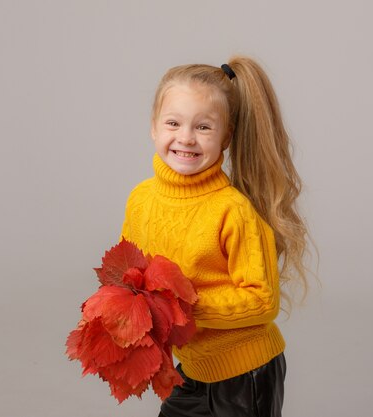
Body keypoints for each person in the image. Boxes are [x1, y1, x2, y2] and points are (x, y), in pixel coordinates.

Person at [120, 56, 310, 417]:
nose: (186, 138)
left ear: (227, 136)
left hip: (245, 373)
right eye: (173, 123)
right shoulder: (141, 199)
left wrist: (181, 306)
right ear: (153, 128)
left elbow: (262, 300)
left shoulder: (232, 210)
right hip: (193, 369)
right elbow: (133, 277)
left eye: (204, 127)